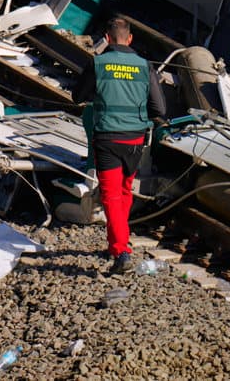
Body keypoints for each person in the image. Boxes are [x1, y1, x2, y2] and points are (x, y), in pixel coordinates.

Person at [74, 16, 166, 274]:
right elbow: (159, 108)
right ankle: (120, 241)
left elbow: (78, 96)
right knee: (125, 190)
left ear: (107, 37)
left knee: (111, 195)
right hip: (136, 138)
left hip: (108, 137)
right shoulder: (145, 66)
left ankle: (121, 251)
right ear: (130, 38)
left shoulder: (98, 63)